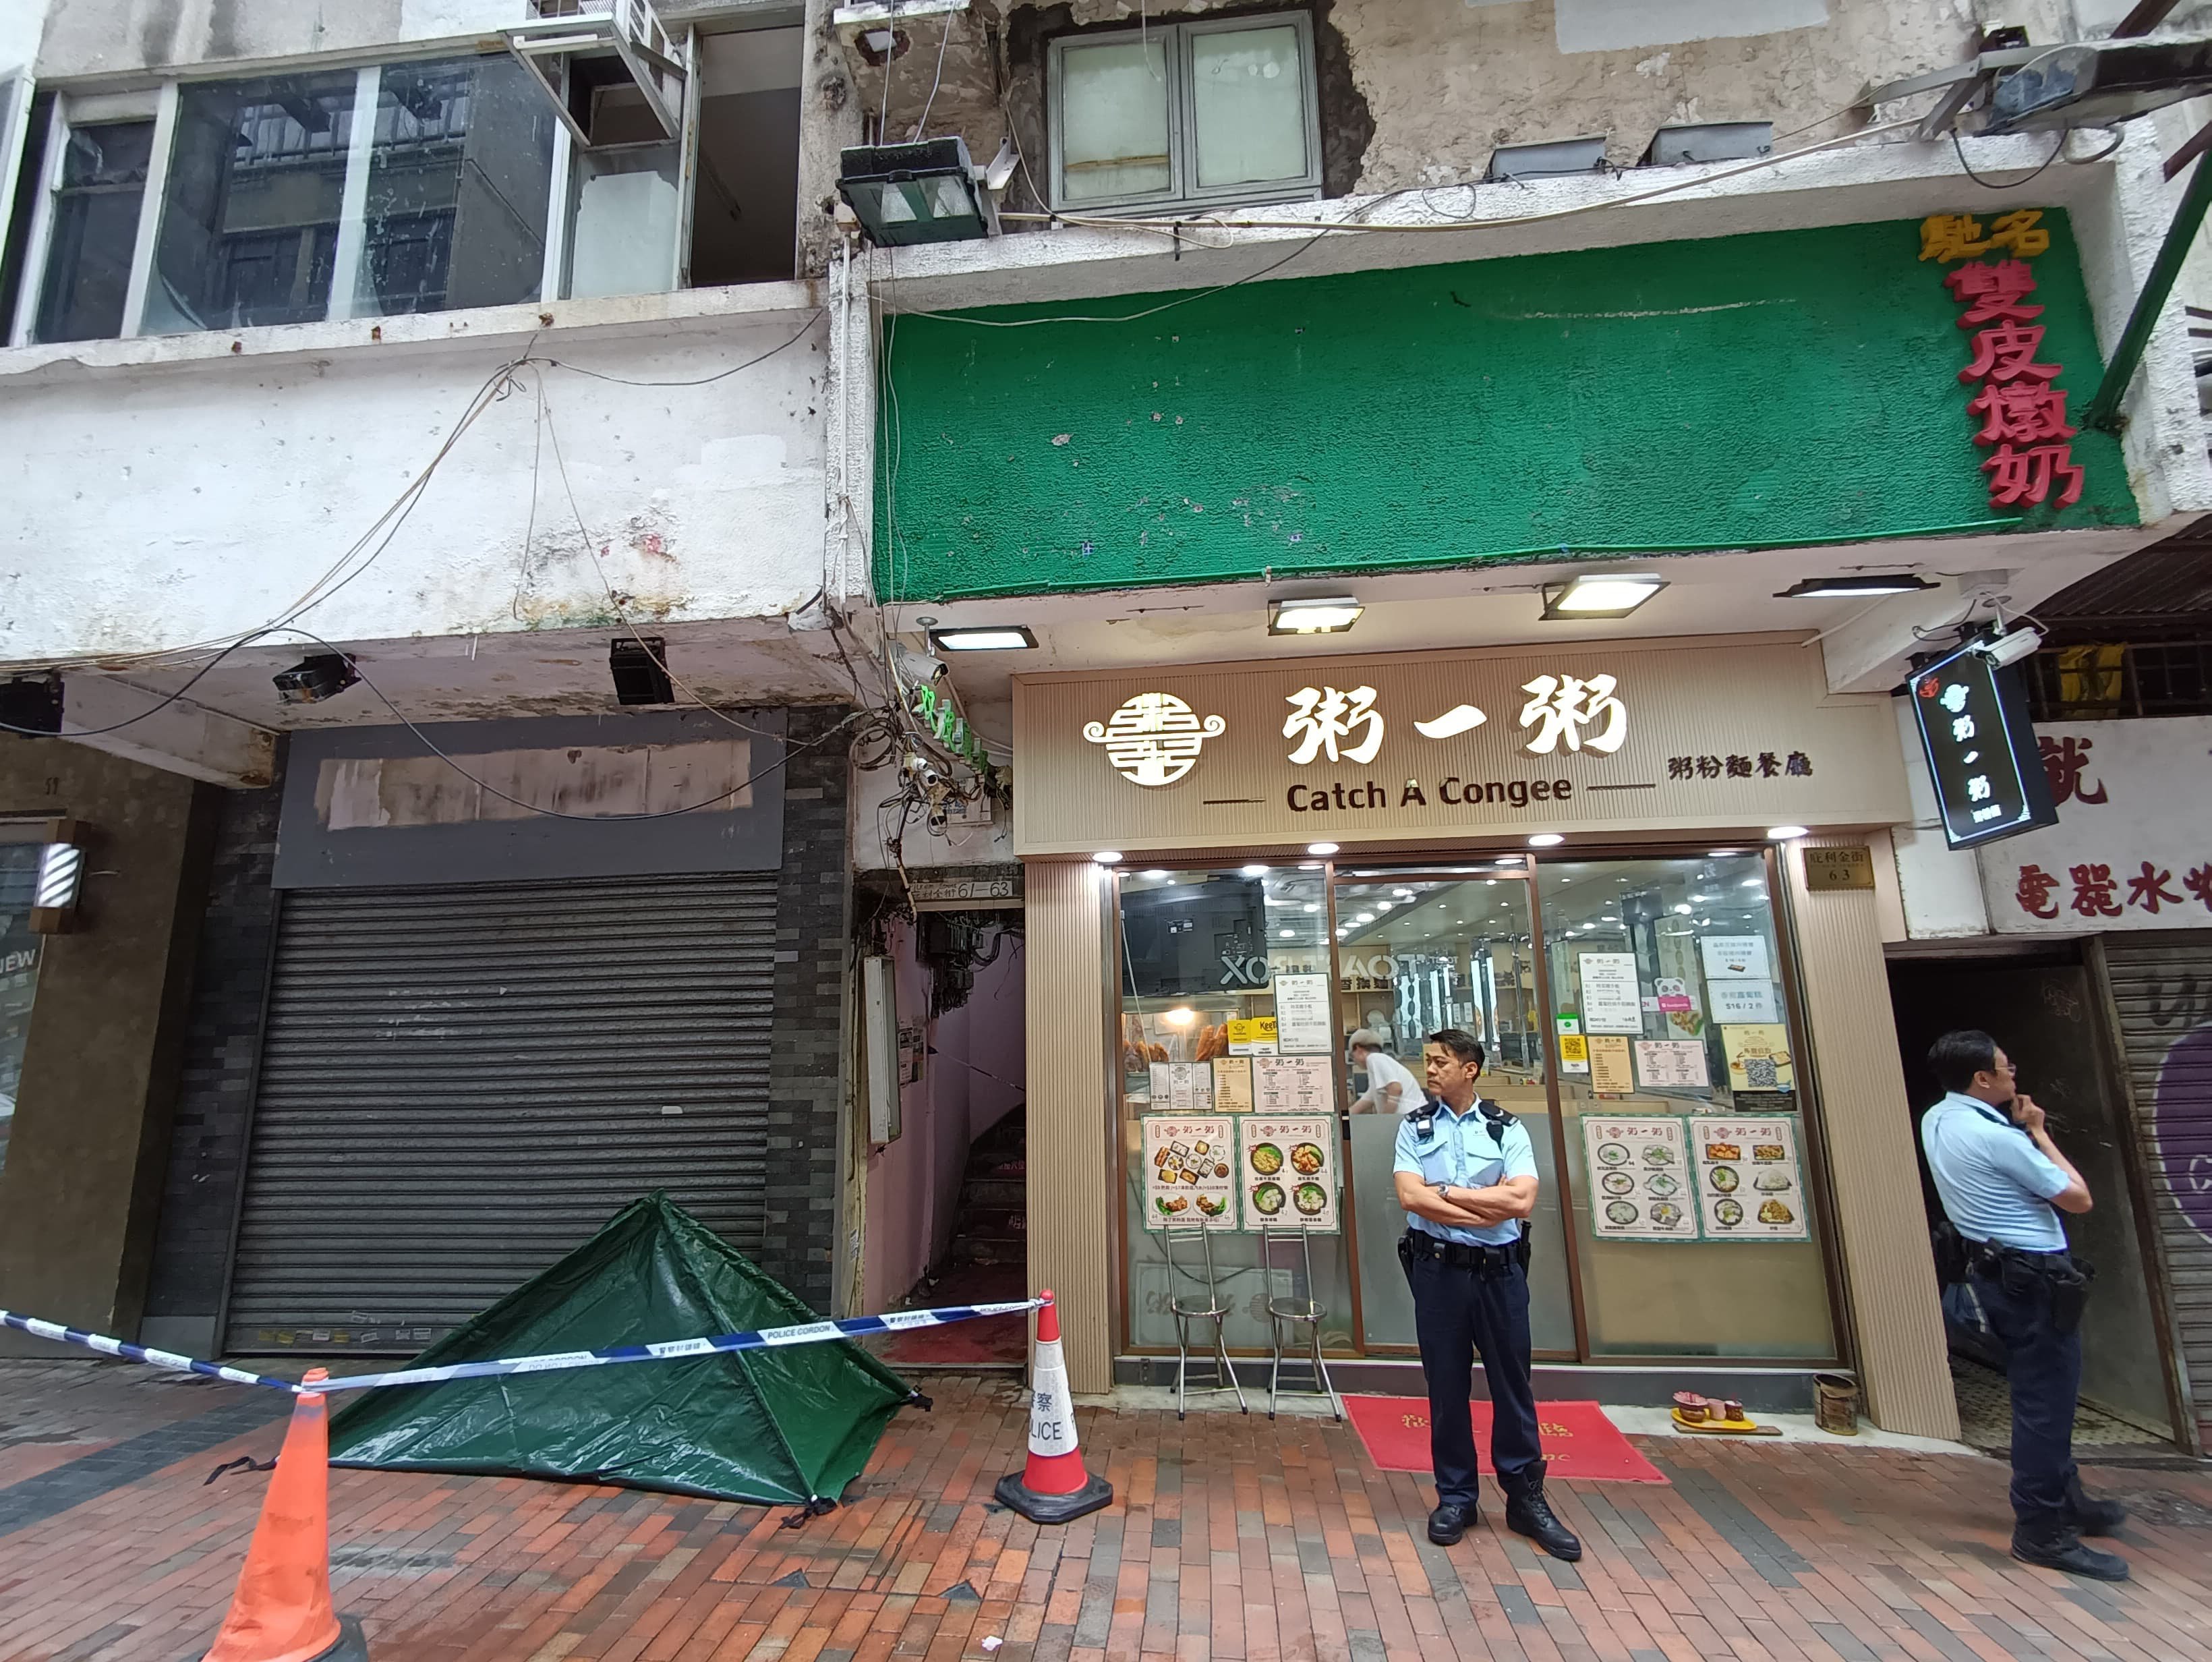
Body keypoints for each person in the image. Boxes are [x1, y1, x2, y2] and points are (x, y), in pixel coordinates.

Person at [1921, 1029, 2128, 1581]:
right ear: (1982, 1079)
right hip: (2031, 1279)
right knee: (2045, 1406)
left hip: (1993, 1273)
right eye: (2006, 1068)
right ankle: (2042, 1531)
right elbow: (2077, 1197)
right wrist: (2037, 1132)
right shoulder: (2003, 1138)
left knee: (2043, 1398)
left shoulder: (1938, 1120)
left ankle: (2069, 1504)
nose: (2014, 1076)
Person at [1393, 1028, 1579, 1559]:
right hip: (1438, 1272)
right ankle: (1456, 1496)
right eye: (1427, 1062)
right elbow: (1412, 1198)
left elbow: (1521, 1200)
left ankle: (1525, 1498)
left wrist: (1447, 1194)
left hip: (1501, 1274)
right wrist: (1479, 1206)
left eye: (1439, 1062)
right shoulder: (1415, 1127)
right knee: (1445, 1387)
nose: (1429, 1070)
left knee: (1512, 1385)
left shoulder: (1507, 1129)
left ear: (1469, 1069)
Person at [1348, 1028, 1420, 1114]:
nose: (1355, 1060)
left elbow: (1396, 1089)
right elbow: (1365, 1101)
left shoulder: (1374, 1058)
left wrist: (1385, 1119)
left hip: (1409, 1119)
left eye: (1353, 1056)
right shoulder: (1378, 1066)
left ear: (1358, 1049)